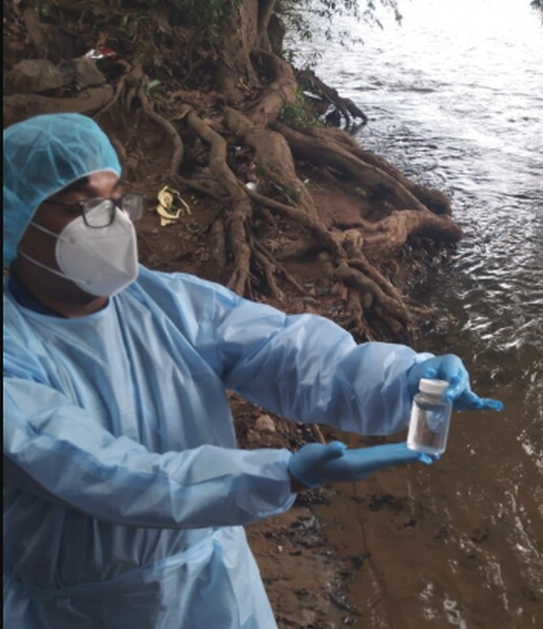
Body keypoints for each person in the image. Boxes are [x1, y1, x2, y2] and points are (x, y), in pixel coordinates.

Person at [3, 113, 503, 629]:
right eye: (87, 206)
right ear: (15, 219)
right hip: (85, 611)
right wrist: (280, 474)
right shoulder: (12, 354)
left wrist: (405, 376)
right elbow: (103, 473)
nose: (113, 222)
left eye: (118, 201)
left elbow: (286, 351)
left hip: (217, 586)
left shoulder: (164, 302)